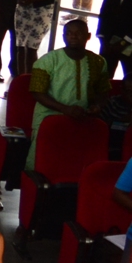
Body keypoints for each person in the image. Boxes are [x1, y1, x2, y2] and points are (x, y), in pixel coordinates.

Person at [28, 17, 107, 169]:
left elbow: (103, 92)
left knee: (73, 163)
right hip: (48, 118)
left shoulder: (98, 62)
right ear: (64, 36)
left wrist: (98, 106)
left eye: (78, 33)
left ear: (88, 36)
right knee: (42, 161)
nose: (73, 36)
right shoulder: (48, 60)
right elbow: (37, 92)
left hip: (82, 119)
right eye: (69, 33)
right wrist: (65, 109)